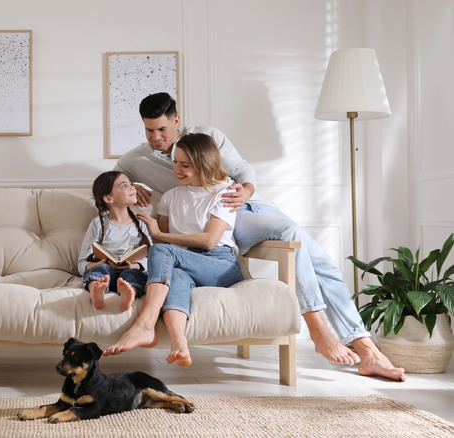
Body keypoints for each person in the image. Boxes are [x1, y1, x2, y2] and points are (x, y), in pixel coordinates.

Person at [111, 92, 406, 382]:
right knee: (301, 244)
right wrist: (132, 185)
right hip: (216, 221)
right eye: (149, 130)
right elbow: (115, 177)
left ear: (177, 120)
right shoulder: (140, 158)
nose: (156, 137)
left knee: (320, 262)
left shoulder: (206, 136)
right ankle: (345, 343)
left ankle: (352, 344)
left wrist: (246, 192)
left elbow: (242, 170)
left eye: (162, 128)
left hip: (242, 207)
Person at [103, 133, 244, 367]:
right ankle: (180, 344)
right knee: (174, 275)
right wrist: (133, 260)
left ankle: (144, 324)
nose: (176, 169)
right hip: (185, 264)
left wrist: (159, 235)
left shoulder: (225, 193)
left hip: (220, 264)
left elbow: (210, 241)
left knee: (164, 252)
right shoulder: (170, 198)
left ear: (203, 164)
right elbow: (164, 250)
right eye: (175, 162)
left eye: (185, 165)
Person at [78, 171, 152, 311]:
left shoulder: (141, 223)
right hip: (105, 271)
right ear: (108, 198)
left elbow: (153, 259)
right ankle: (96, 290)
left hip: (130, 270)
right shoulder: (98, 224)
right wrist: (100, 263)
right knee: (100, 270)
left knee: (134, 275)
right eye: (124, 185)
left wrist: (133, 266)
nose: (132, 188)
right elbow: (82, 263)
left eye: (131, 184)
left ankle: (129, 294)